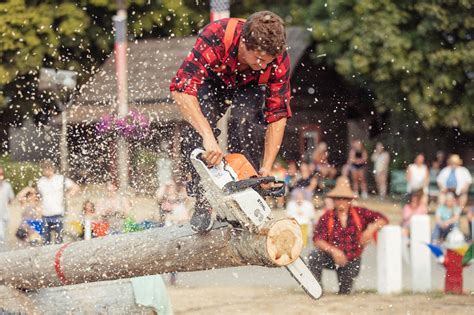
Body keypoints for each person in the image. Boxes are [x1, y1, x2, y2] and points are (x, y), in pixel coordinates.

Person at [170, 11, 291, 232]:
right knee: (199, 123)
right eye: (258, 58)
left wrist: (266, 167)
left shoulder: (277, 59)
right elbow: (181, 89)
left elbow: (278, 114)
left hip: (250, 87)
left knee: (245, 122)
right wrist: (208, 138)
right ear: (243, 42)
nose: (262, 65)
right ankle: (203, 199)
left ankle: (247, 191)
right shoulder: (216, 35)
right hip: (213, 80)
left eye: (267, 61)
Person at [308, 176, 388, 294]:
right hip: (331, 257)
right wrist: (334, 251)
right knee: (314, 256)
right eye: (338, 198)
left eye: (345, 198)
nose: (341, 201)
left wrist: (370, 230)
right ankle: (316, 290)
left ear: (350, 200)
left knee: (345, 293)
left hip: (352, 259)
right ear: (334, 200)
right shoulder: (327, 217)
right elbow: (317, 239)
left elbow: (383, 218)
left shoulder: (359, 213)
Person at [36, 160, 79, 245]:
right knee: (45, 240)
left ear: (52, 168)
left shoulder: (60, 179)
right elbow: (39, 197)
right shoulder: (41, 182)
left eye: (48, 168)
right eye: (45, 169)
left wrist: (68, 195)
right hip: (45, 214)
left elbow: (75, 187)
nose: (47, 171)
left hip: (58, 212)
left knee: (59, 238)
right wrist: (38, 209)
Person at [0, 166, 14, 247]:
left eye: (1, 174)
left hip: (5, 215)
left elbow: (11, 198)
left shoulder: (7, 186)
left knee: (4, 237)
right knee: (0, 236)